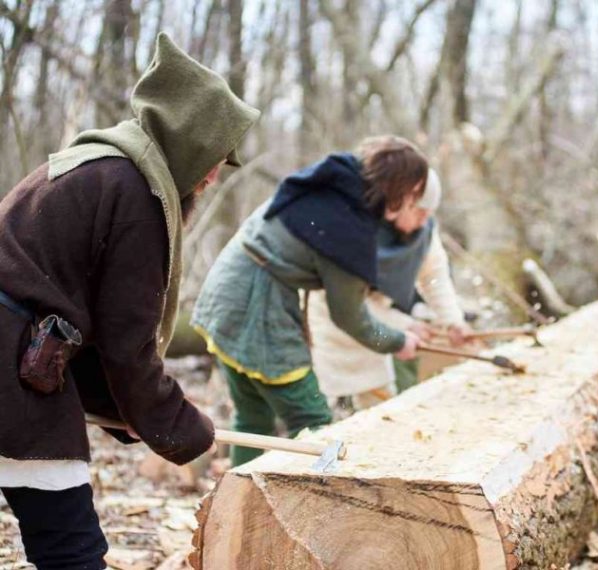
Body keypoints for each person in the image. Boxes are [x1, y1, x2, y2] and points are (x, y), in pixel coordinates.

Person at [0, 33, 260, 568]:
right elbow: (127, 344)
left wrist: (134, 415)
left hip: (21, 353)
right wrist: (183, 428)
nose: (213, 175)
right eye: (213, 158)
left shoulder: (97, 166)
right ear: (187, 141)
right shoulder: (133, 192)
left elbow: (84, 325)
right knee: (71, 549)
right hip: (12, 369)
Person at [192, 136, 425, 466]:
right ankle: (324, 511)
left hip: (226, 285)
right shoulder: (346, 228)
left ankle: (239, 511)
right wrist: (397, 341)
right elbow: (350, 317)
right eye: (414, 193)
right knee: (313, 419)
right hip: (256, 305)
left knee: (253, 418)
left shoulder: (328, 186)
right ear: (401, 188)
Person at [309, 169, 470, 411]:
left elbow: (434, 277)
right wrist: (403, 325)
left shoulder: (422, 231)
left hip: (377, 334)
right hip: (333, 332)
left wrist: (452, 321)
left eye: (429, 213)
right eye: (420, 212)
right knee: (329, 414)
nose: (424, 220)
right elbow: (346, 306)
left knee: (382, 411)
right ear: (401, 202)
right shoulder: (355, 229)